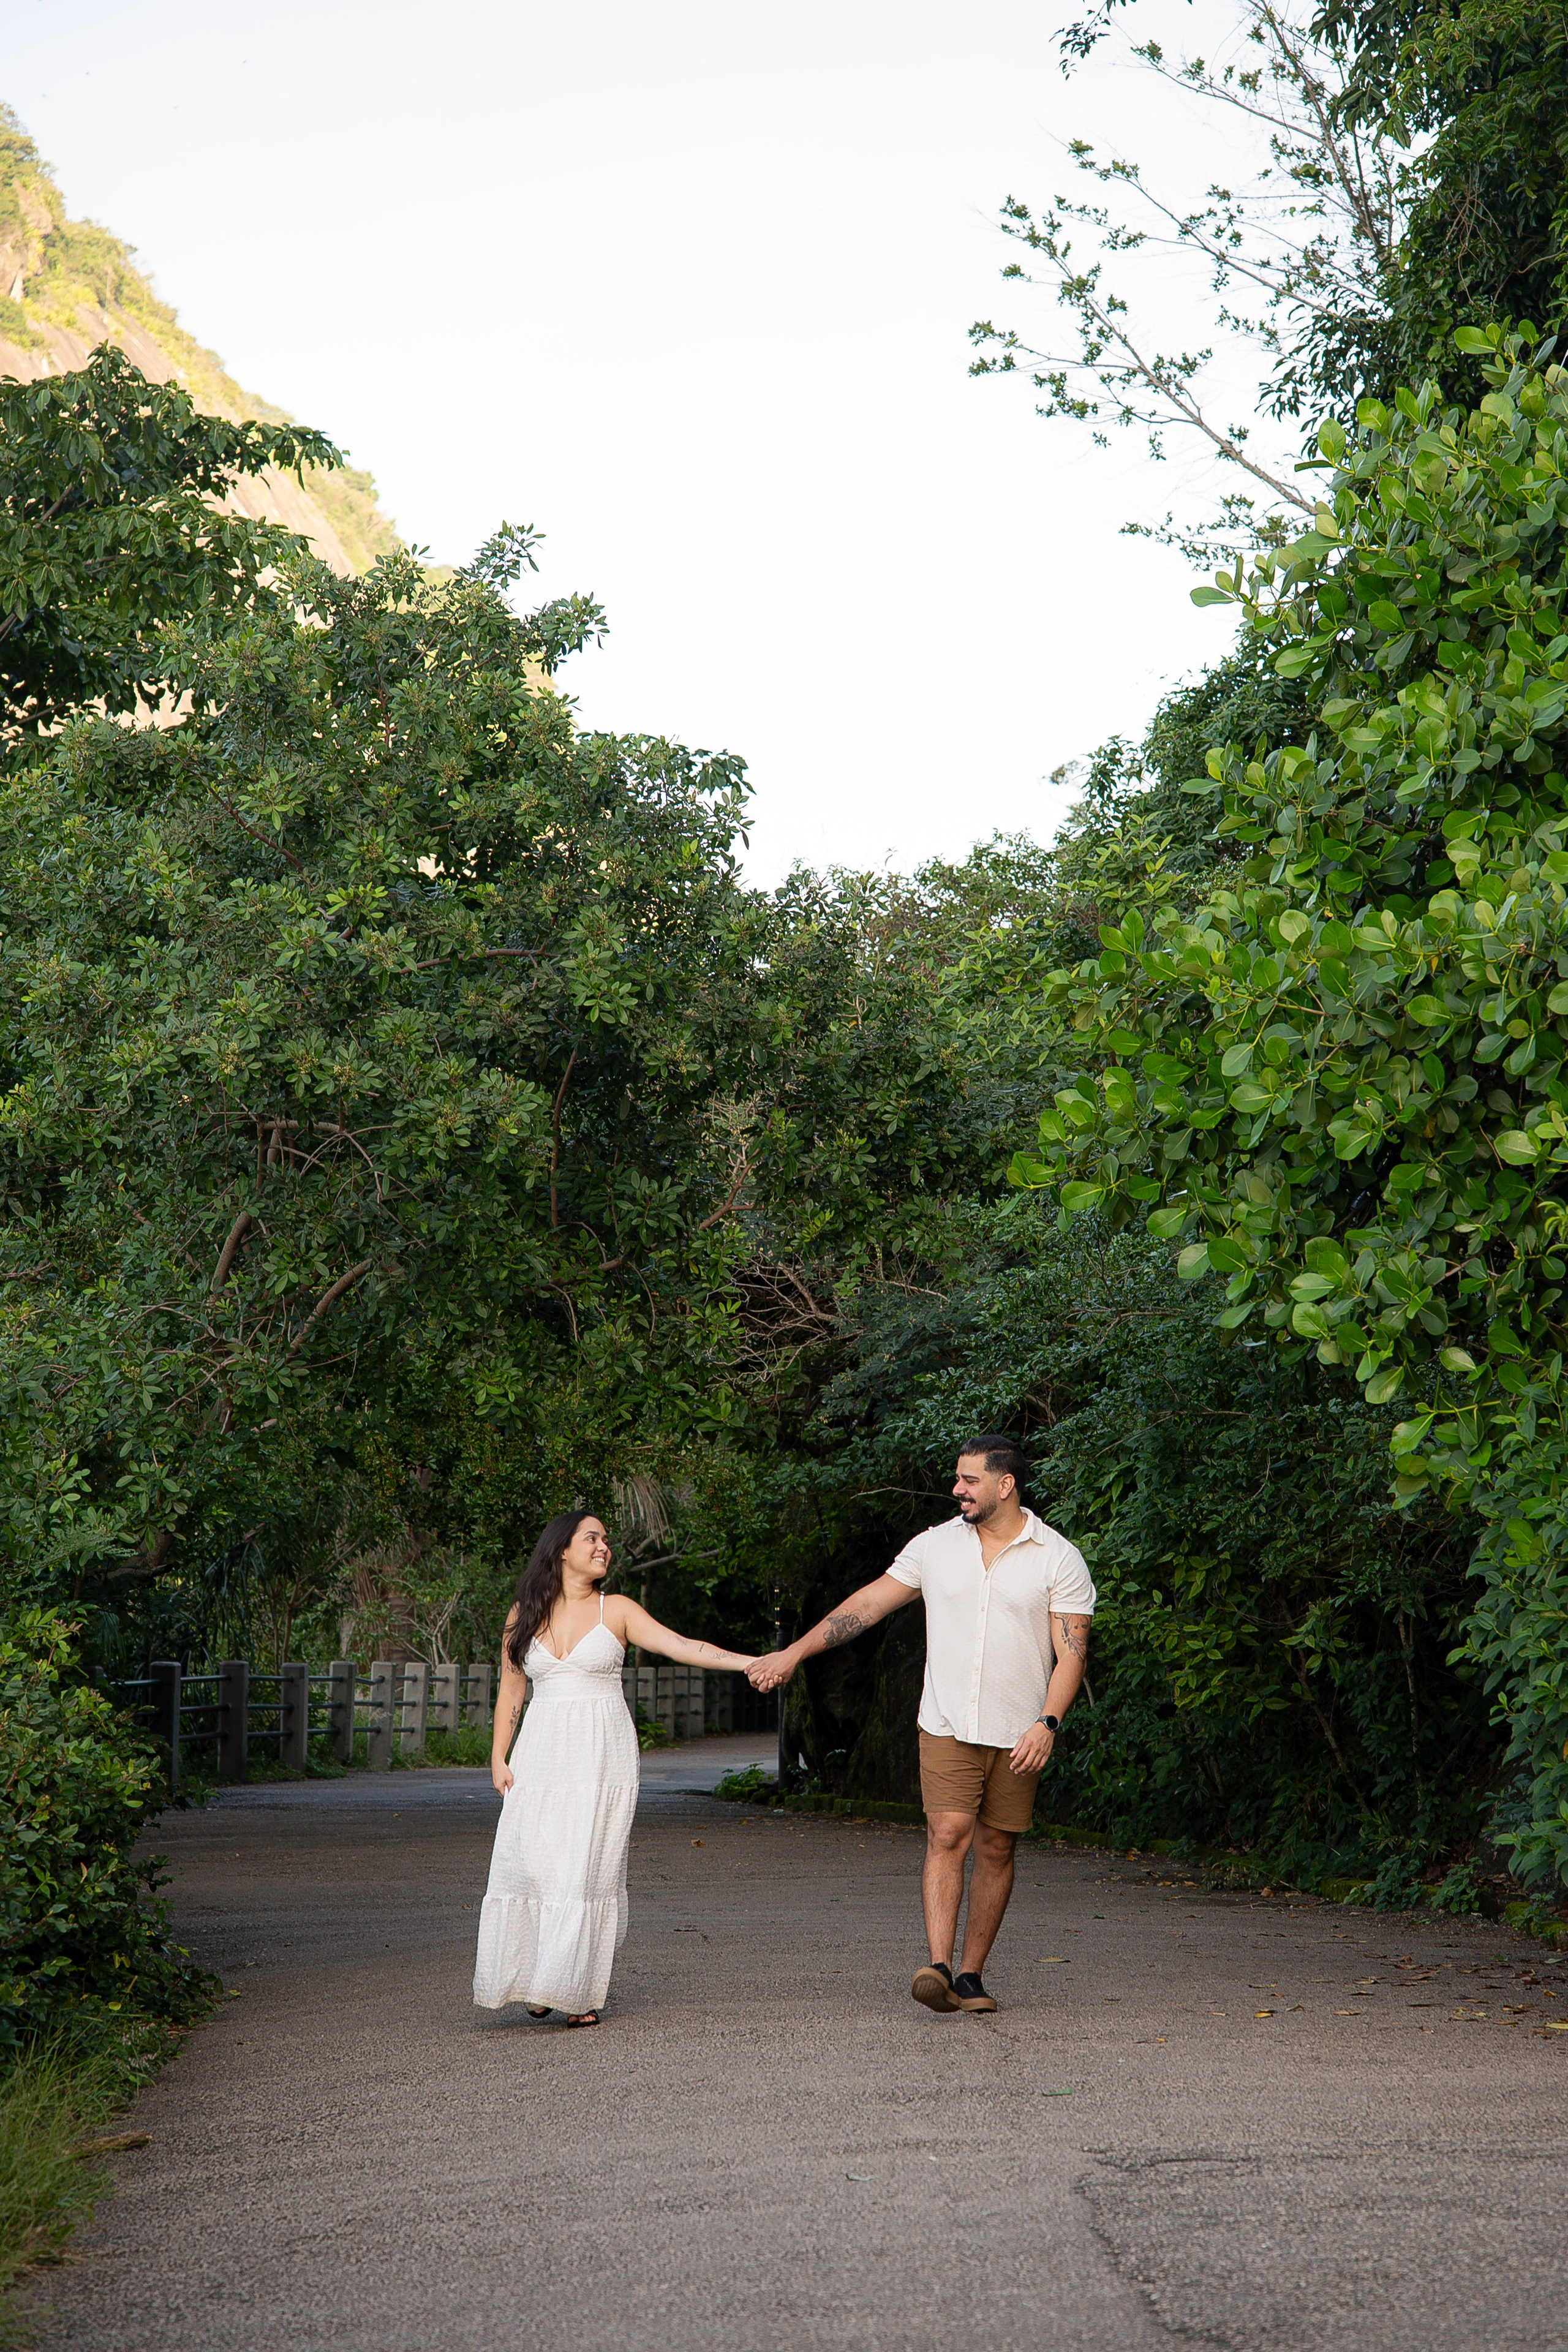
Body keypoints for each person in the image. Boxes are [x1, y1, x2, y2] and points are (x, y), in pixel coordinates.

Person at [747, 1436, 1093, 2015]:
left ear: (1005, 1485)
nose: (957, 1489)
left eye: (970, 1480)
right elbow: (867, 1605)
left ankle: (970, 1976)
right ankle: (936, 1965)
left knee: (998, 1846)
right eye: (957, 1478)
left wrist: (1047, 1723)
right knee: (948, 1833)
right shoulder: (934, 1548)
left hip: (1020, 1731)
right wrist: (795, 1654)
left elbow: (1073, 1653)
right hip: (946, 1721)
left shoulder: (1058, 1557)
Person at [473, 1508, 756, 2027]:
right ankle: (540, 1979)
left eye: (606, 1539)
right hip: (539, 1754)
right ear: (561, 1549)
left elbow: (681, 1646)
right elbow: (512, 1687)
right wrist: (499, 1755)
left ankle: (574, 1990)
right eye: (592, 1538)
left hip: (600, 1756)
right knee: (533, 1862)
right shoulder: (523, 1614)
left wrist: (749, 1662)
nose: (604, 1547)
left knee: (584, 1867)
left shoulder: (617, 1610)